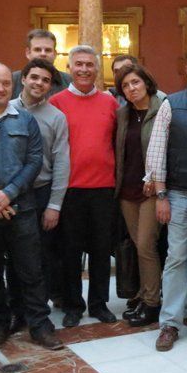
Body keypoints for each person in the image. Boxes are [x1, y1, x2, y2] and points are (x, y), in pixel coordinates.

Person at [0, 62, 63, 350]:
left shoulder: (25, 120)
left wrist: (7, 194)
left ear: (13, 84)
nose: (0, 88)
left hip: (21, 209)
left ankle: (39, 326)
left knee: (31, 271)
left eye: (6, 83)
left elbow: (34, 161)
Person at [145, 47, 187, 351]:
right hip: (179, 194)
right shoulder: (170, 104)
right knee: (176, 258)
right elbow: (157, 151)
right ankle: (170, 323)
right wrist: (161, 194)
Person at [50, 46, 118, 327]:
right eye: (78, 64)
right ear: (69, 67)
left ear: (97, 69)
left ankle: (99, 304)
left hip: (104, 188)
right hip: (70, 189)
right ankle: (73, 306)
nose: (84, 70)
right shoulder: (56, 102)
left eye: (90, 65)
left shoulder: (110, 102)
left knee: (102, 250)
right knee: (71, 251)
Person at [6, 58, 70, 330]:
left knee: (42, 256)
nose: (39, 83)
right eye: (35, 77)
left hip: (41, 193)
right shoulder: (3, 110)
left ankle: (37, 313)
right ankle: (15, 311)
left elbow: (62, 162)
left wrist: (54, 205)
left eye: (45, 80)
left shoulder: (56, 117)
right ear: (24, 78)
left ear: (50, 86)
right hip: (10, 195)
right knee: (13, 255)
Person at [114, 64, 164, 327]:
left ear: (146, 82)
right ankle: (144, 298)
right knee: (137, 246)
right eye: (125, 85)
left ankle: (153, 303)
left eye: (135, 82)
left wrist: (160, 184)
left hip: (151, 190)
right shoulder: (122, 114)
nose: (131, 88)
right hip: (127, 189)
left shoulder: (162, 109)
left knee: (146, 245)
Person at [11, 29, 72, 99]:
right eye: (37, 50)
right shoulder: (13, 80)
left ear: (55, 54)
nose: (43, 54)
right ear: (28, 53)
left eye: (48, 50)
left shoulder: (69, 82)